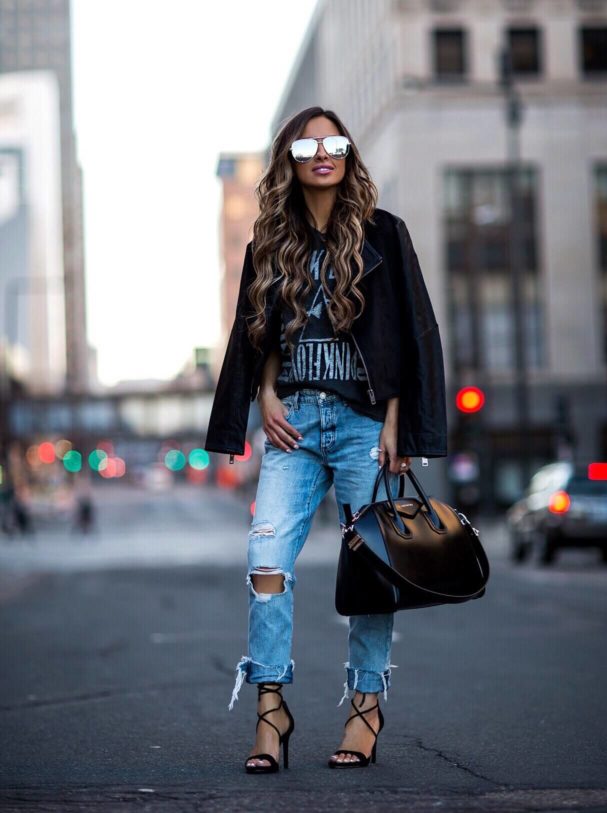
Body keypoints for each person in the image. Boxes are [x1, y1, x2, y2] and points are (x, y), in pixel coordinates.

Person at [204, 106, 447, 772]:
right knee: (265, 554)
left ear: (347, 154)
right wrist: (263, 393)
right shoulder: (268, 244)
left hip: (364, 423)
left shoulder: (382, 235)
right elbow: (257, 338)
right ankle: (271, 706)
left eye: (335, 142)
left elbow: (408, 329)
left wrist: (399, 419)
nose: (323, 153)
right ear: (289, 158)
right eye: (309, 144)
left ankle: (366, 706)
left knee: (370, 567)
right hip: (294, 426)